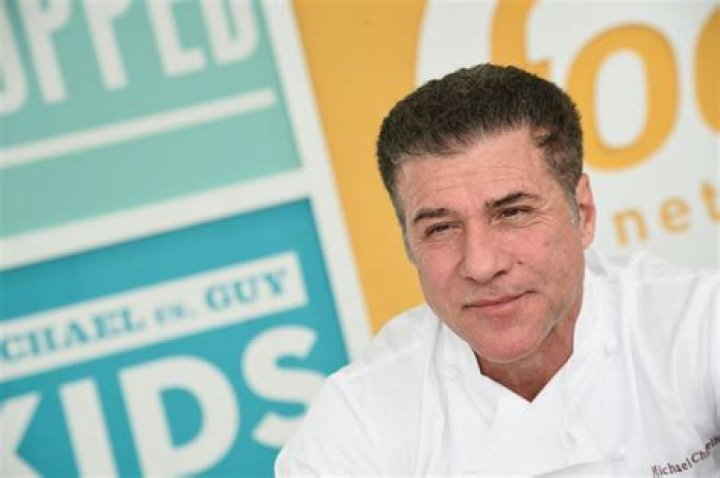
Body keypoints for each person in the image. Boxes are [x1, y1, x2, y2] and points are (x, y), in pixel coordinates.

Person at [275, 64, 719, 476]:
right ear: (409, 243)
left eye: (512, 213)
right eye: (441, 228)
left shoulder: (695, 326)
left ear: (582, 213)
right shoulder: (361, 416)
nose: (481, 265)